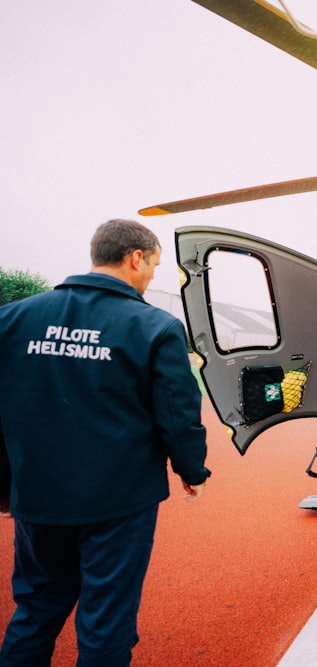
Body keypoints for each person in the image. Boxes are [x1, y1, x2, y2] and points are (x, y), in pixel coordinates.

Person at [0, 219, 211, 666]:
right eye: (153, 264)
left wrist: (6, 485)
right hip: (118, 503)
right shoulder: (156, 327)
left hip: (35, 496)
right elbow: (178, 414)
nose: (152, 275)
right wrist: (192, 470)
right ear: (136, 258)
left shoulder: (13, 319)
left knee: (35, 608)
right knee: (106, 622)